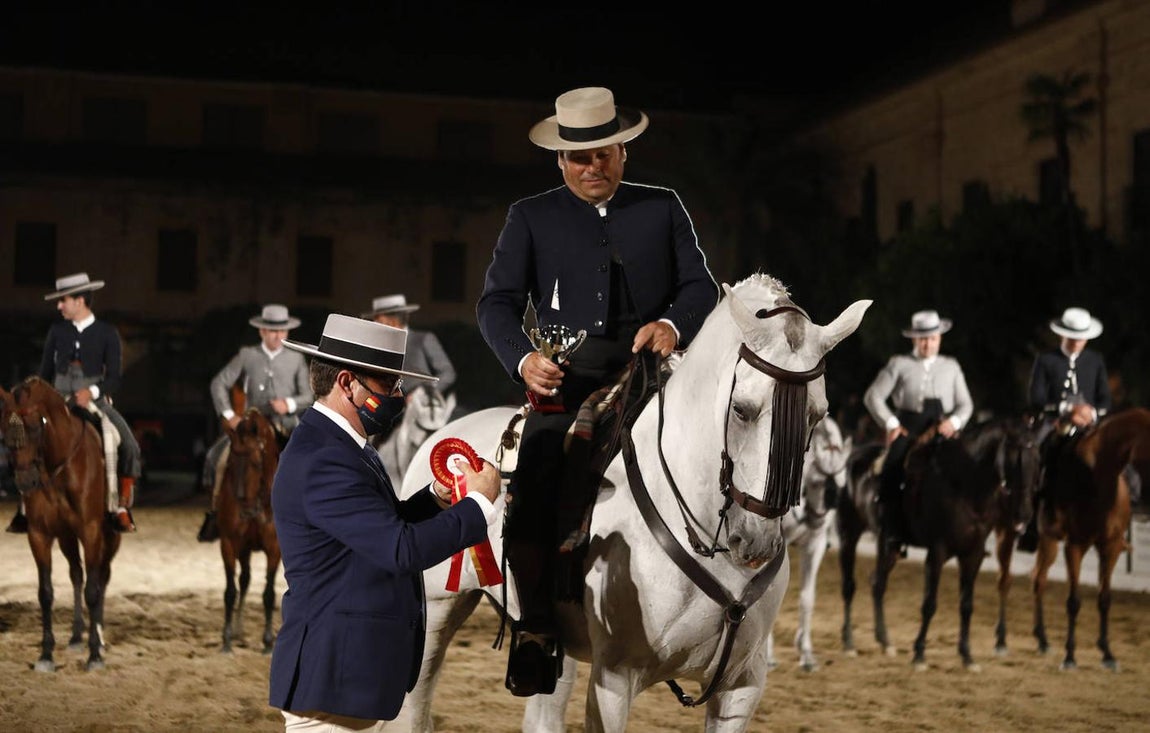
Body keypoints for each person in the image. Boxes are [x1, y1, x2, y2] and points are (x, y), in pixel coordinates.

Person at [476, 86, 719, 696]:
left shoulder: (663, 207)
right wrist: (524, 359)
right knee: (533, 478)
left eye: (604, 155)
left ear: (622, 152)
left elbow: (701, 286)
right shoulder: (530, 216)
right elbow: (496, 305)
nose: (593, 168)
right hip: (568, 382)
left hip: (656, 374)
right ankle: (535, 630)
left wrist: (673, 323)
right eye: (579, 159)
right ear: (560, 161)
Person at [267, 313, 500, 728]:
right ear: (346, 383)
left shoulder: (345, 445)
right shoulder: (326, 459)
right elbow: (400, 549)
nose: (398, 394)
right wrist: (479, 505)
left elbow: (376, 525)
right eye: (388, 384)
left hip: (349, 678)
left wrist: (435, 498)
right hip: (331, 680)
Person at [7, 272, 141, 534]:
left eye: (63, 300)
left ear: (80, 301)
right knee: (27, 439)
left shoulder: (107, 333)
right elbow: (44, 374)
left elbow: (114, 377)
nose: (59, 306)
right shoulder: (56, 332)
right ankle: (25, 507)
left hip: (94, 400)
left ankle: (120, 506)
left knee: (130, 445)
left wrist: (91, 392)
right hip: (56, 399)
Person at [197, 304, 313, 542]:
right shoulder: (247, 355)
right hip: (251, 426)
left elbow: (309, 395)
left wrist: (290, 403)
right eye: (272, 330)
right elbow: (219, 383)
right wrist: (229, 414)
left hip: (286, 425)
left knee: (311, 461)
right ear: (261, 331)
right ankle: (215, 511)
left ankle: (310, 516)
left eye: (282, 330)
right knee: (215, 458)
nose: (278, 335)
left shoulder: (296, 358)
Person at [863, 309, 973, 554]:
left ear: (939, 338)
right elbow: (873, 396)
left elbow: (966, 404)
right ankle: (892, 532)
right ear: (914, 339)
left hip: (942, 431)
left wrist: (954, 422)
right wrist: (891, 423)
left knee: (969, 467)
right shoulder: (899, 364)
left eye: (932, 338)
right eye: (922, 338)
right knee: (891, 469)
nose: (927, 343)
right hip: (908, 430)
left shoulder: (951, 366)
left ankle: (968, 532)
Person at [1019, 306, 1112, 551]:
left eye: (1081, 338)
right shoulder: (1046, 360)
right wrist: (1067, 411)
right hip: (1054, 422)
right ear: (1063, 335)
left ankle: (1116, 521)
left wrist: (1089, 412)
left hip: (1088, 423)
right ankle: (1029, 521)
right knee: (1033, 456)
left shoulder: (1095, 361)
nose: (1077, 342)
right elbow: (1036, 398)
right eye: (1073, 337)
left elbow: (1105, 399)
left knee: (1116, 458)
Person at [362, 293, 456, 394]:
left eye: (379, 321)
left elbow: (448, 373)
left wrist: (425, 392)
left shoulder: (422, 339)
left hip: (421, 407)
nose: (376, 325)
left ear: (392, 321)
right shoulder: (379, 347)